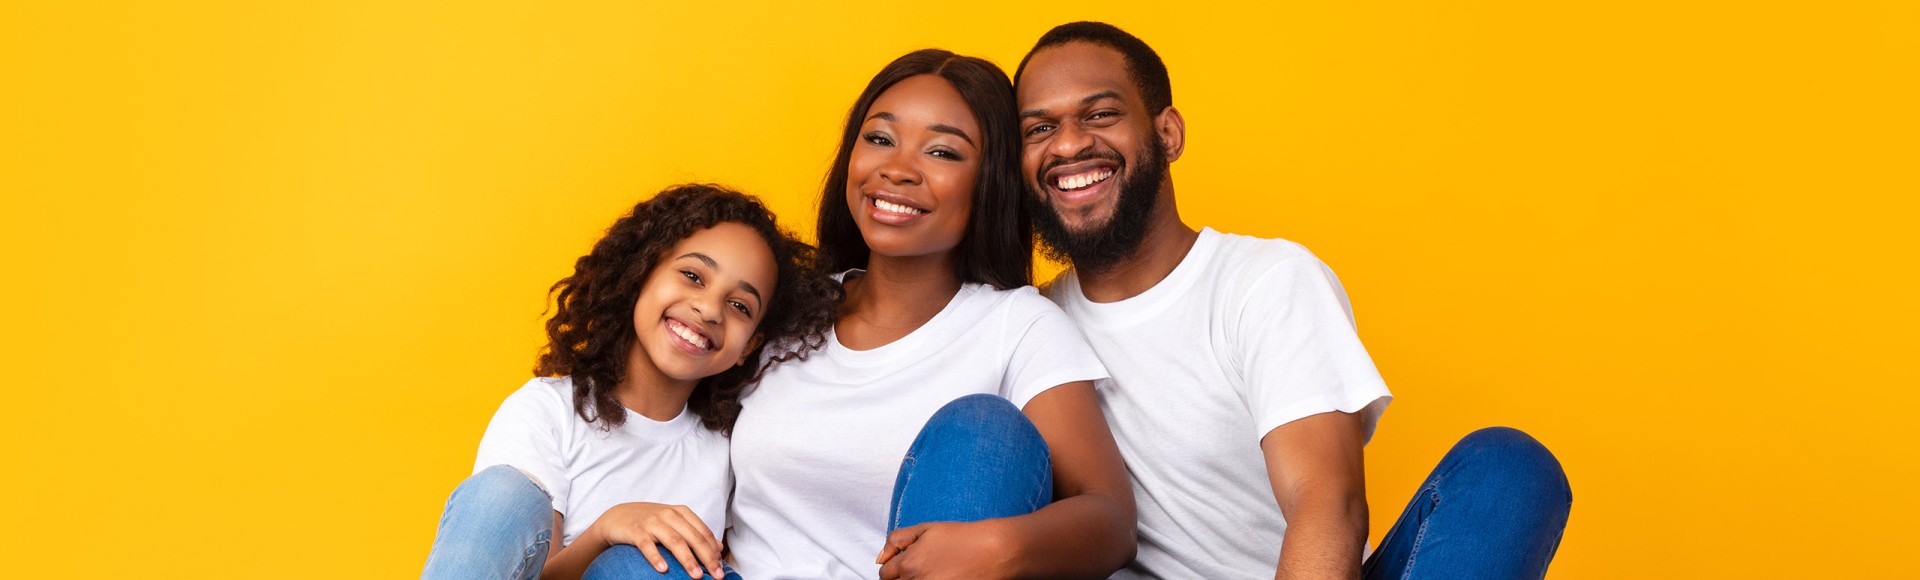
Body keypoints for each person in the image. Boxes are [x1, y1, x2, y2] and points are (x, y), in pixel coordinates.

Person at [1013, 22, 1574, 579]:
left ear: (1168, 134)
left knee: (1508, 470)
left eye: (1101, 114)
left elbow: (1327, 503)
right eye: (1039, 129)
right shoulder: (1029, 327)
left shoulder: (1266, 282)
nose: (1067, 144)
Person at [724, 48, 1136, 579]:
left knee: (984, 429)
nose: (897, 169)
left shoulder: (1018, 326)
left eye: (942, 152)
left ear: (989, 181)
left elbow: (1112, 522)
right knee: (635, 562)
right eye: (879, 139)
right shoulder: (781, 308)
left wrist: (999, 547)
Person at [420, 184, 840, 580]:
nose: (709, 309)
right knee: (502, 494)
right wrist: (607, 529)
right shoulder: (546, 412)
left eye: (739, 305)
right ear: (640, 274)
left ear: (749, 347)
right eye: (693, 276)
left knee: (643, 563)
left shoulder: (732, 448)